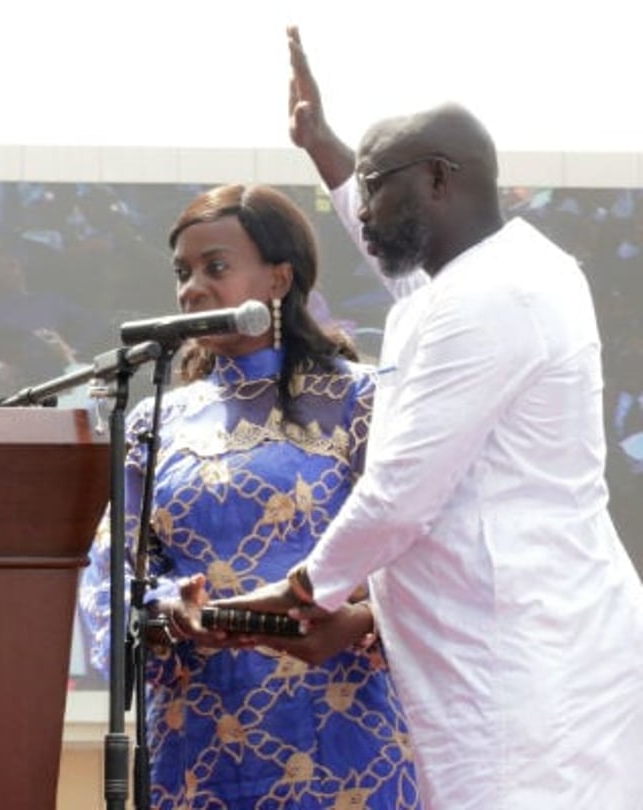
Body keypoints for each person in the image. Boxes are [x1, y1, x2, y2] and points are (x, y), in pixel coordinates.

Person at [207, 28, 643, 809]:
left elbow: (399, 494)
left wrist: (305, 591)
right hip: (487, 649)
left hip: (523, 661)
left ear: (440, 179)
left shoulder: (493, 297)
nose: (361, 210)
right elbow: (391, 260)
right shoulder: (473, 278)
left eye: (376, 187)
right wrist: (323, 147)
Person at [78, 183, 420, 808]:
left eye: (215, 268)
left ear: (279, 278)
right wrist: (166, 615)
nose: (191, 290)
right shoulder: (153, 421)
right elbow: (111, 573)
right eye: (183, 273)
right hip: (199, 731)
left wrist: (360, 622)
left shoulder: (364, 400)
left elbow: (418, 547)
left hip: (347, 726)